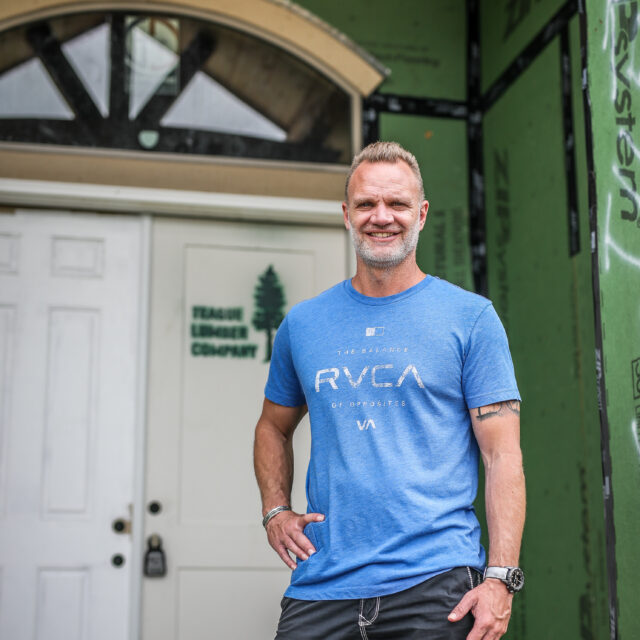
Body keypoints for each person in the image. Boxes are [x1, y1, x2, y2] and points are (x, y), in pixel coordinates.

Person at [253, 141, 525, 640]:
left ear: (420, 214)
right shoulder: (303, 324)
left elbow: (502, 456)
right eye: (366, 204)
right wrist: (275, 510)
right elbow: (273, 425)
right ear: (346, 214)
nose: (382, 217)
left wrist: (501, 579)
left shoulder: (471, 319)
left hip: (436, 586)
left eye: (397, 204)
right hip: (321, 586)